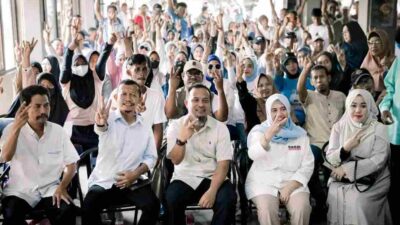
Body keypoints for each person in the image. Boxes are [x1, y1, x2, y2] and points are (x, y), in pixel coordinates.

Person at [82, 80, 159, 225]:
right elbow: (101, 128)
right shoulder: (107, 118)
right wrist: (100, 122)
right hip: (105, 181)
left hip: (132, 182)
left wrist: (135, 174)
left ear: (139, 99)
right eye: (124, 94)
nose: (128, 99)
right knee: (88, 207)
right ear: (116, 97)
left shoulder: (144, 125)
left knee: (153, 205)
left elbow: (151, 157)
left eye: (133, 95)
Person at [0, 85, 79, 225]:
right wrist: (16, 128)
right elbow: (6, 157)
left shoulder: (58, 131)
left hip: (51, 188)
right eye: (37, 106)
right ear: (25, 109)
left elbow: (72, 165)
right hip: (20, 190)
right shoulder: (11, 130)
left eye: (46, 105)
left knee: (67, 210)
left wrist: (62, 186)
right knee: (11, 214)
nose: (43, 111)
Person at [165, 84, 236, 225]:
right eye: (195, 100)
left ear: (210, 104)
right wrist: (181, 140)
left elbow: (223, 165)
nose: (201, 105)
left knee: (228, 198)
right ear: (186, 103)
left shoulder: (221, 128)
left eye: (205, 100)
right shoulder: (175, 126)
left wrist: (212, 191)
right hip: (184, 177)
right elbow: (175, 160)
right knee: (171, 198)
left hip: (213, 176)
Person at [325, 89, 392, 225]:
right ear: (348, 105)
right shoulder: (339, 127)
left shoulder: (379, 128)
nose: (358, 110)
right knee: (335, 196)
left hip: (374, 180)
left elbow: (379, 160)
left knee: (357, 201)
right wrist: (345, 148)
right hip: (342, 180)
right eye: (353, 105)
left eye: (363, 105)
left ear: (369, 106)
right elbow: (330, 159)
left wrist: (347, 168)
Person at [245, 93, 314, 225]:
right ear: (268, 112)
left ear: (288, 110)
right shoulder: (259, 131)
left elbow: (308, 164)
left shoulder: (300, 134)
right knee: (267, 211)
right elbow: (253, 154)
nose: (279, 113)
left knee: (302, 209)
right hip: (263, 182)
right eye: (274, 110)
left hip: (293, 181)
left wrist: (291, 186)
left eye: (283, 109)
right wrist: (270, 133)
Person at [297, 62, 346, 222]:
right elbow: (300, 89)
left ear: (329, 78)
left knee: (332, 175)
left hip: (336, 145)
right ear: (312, 81)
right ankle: (320, 200)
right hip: (315, 143)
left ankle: (332, 206)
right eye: (315, 78)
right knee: (308, 166)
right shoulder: (309, 96)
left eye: (322, 77)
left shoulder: (341, 97)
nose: (319, 80)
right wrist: (305, 70)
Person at [60, 31, 114, 150]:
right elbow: (65, 67)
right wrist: (70, 49)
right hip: (73, 132)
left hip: (95, 128)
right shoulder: (67, 82)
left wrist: (109, 44)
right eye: (76, 63)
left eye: (83, 62)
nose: (80, 65)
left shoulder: (96, 77)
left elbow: (103, 59)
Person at [111, 54, 167, 151]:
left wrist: (155, 154)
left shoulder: (156, 96)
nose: (141, 73)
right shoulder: (117, 94)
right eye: (137, 69)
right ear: (129, 72)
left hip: (144, 149)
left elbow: (158, 128)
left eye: (144, 69)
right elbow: (111, 123)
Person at [380, 57, 400, 225]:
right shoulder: (399, 61)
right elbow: (390, 88)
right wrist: (385, 107)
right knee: (395, 182)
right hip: (397, 130)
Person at [361, 29, 395, 97]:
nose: (373, 45)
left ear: (384, 43)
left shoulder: (394, 61)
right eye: (370, 42)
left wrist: (388, 68)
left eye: (377, 42)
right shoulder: (366, 62)